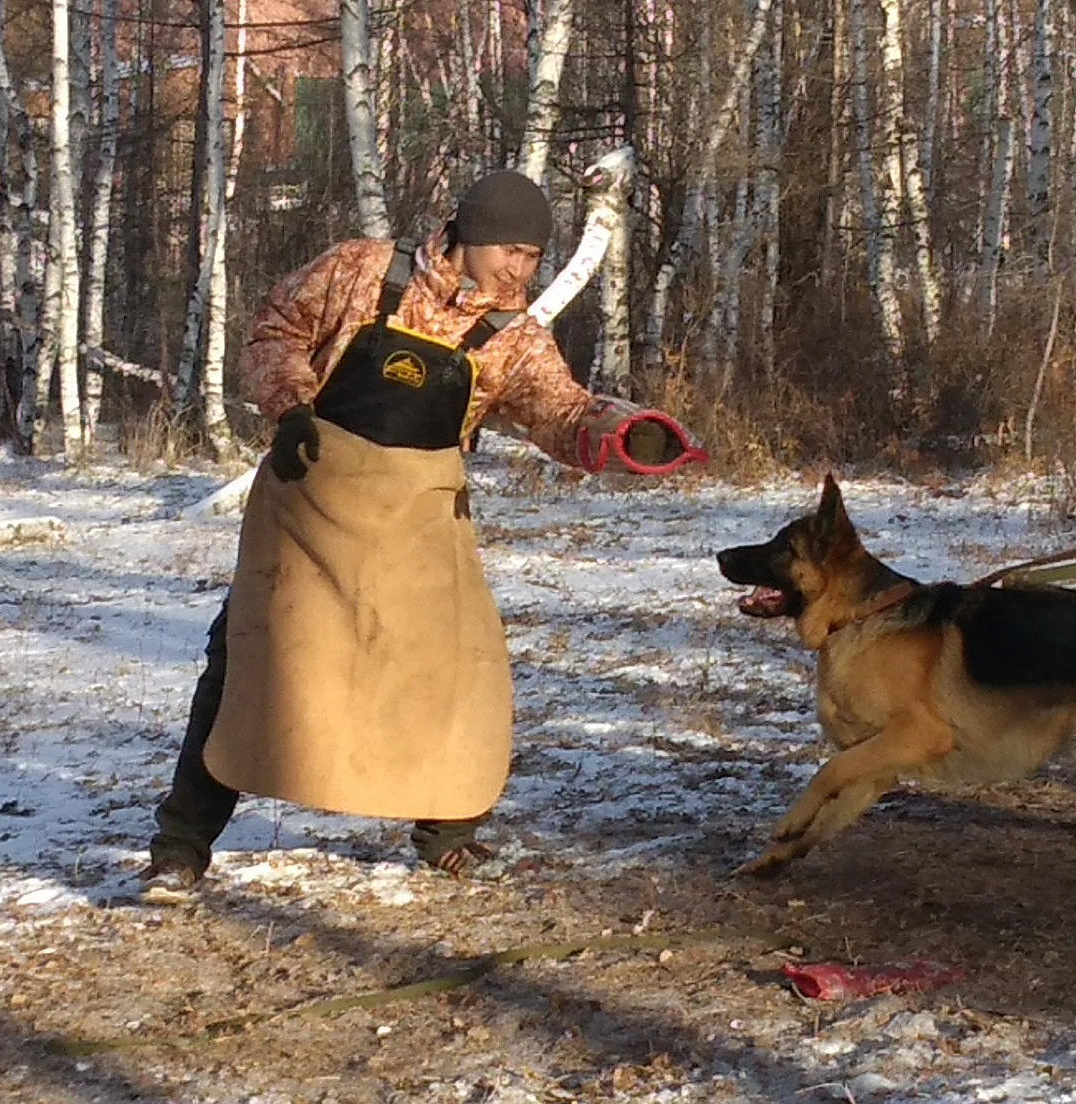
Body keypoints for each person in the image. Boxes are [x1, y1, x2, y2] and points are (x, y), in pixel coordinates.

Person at [140, 170, 706, 899]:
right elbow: (276, 329)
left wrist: (622, 435)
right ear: (467, 232)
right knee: (248, 663)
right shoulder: (361, 269)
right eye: (510, 249)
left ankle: (449, 839)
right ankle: (180, 849)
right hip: (311, 505)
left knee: (459, 674)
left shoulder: (515, 337)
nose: (520, 269)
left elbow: (559, 412)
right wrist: (291, 409)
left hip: (416, 523)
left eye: (534, 257)